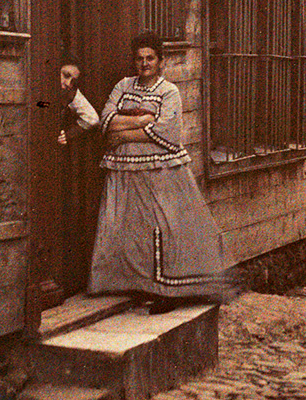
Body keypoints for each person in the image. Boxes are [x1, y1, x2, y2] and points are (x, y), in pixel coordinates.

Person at [88, 33, 227, 311]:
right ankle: (140, 286)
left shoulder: (169, 91)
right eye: (139, 58)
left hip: (161, 171)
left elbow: (167, 132)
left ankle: (168, 291)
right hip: (124, 170)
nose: (144, 63)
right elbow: (105, 120)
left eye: (150, 58)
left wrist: (125, 131)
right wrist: (143, 120)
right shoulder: (123, 86)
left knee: (164, 227)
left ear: (161, 61)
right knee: (130, 229)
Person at [58, 62, 99, 145]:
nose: (68, 83)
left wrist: (68, 135)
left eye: (73, 81)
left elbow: (92, 119)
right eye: (66, 75)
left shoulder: (70, 93)